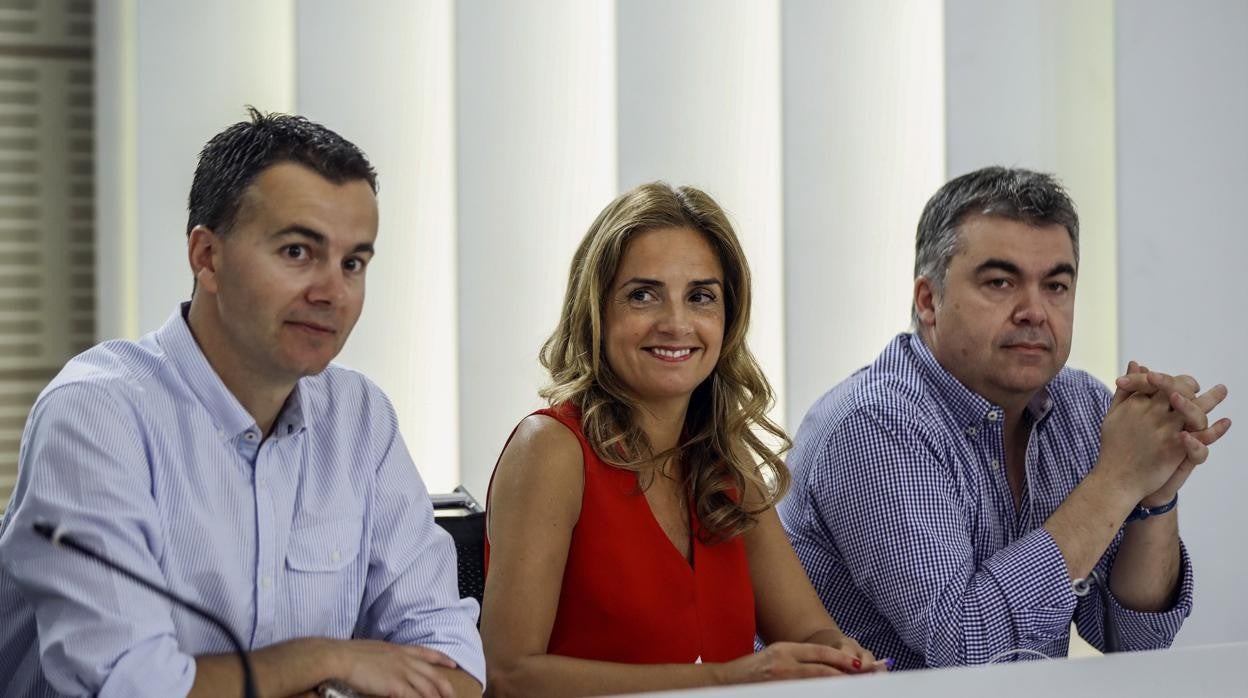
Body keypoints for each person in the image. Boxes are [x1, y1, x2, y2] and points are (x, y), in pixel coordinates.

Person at [0, 109, 484, 697]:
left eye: (353, 262)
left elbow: (451, 661)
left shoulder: (361, 418)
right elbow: (128, 685)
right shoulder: (96, 416)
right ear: (207, 257)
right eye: (298, 252)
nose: (333, 292)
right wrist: (324, 658)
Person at [780, 166, 1231, 670]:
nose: (1034, 311)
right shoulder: (873, 425)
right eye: (1000, 282)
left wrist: (1153, 493)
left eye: (1056, 286)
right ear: (929, 301)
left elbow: (1132, 642)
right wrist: (1117, 480)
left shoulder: (1080, 403)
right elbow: (967, 649)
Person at [481, 182, 884, 697]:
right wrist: (725, 680)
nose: (676, 323)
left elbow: (809, 630)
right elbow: (508, 675)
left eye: (700, 297)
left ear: (727, 318)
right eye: (642, 295)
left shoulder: (724, 459)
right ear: (597, 311)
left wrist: (838, 658)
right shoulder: (551, 449)